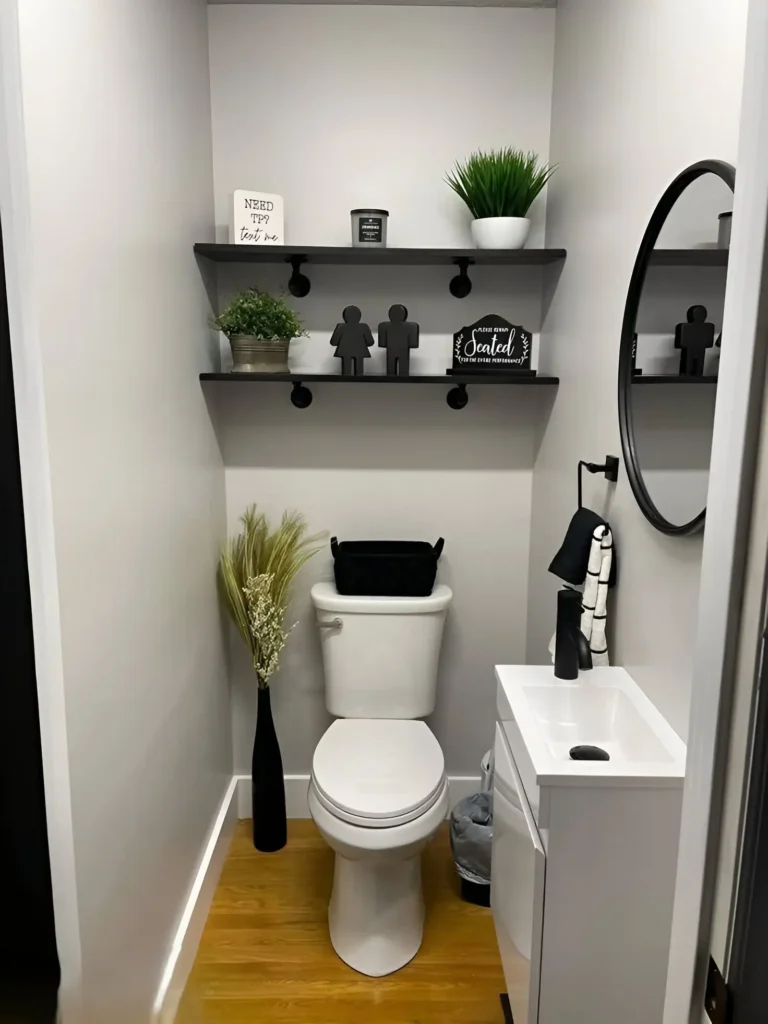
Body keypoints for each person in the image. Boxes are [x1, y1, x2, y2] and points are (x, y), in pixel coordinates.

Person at [330, 305, 374, 376]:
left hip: (345, 352)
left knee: (346, 371)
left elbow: (334, 342)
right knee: (359, 371)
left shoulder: (341, 327)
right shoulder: (364, 327)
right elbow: (370, 342)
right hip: (360, 352)